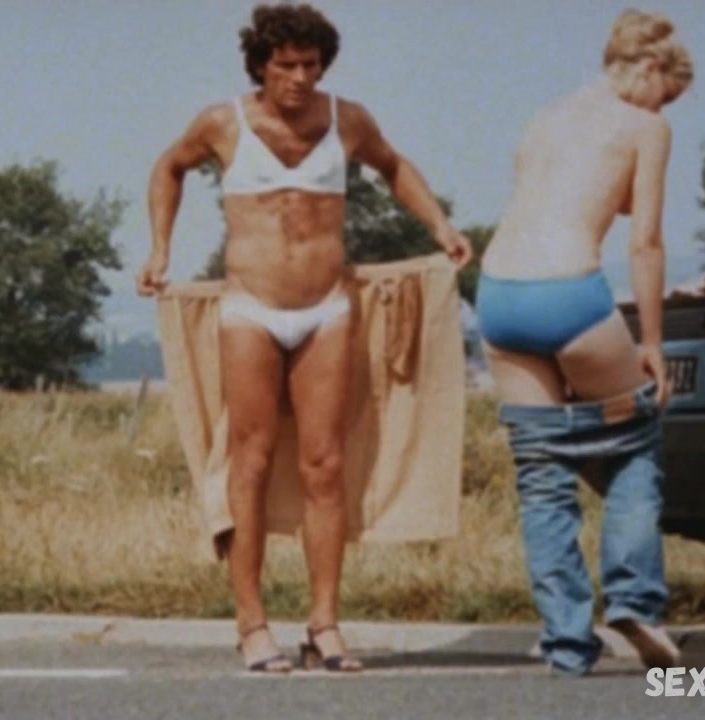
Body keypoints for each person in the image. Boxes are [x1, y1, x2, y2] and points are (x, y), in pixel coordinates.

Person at [136, 2, 471, 673]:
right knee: (252, 463)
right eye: (285, 65)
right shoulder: (223, 122)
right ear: (261, 65)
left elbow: (393, 165)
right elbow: (168, 166)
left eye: (310, 65)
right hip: (250, 309)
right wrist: (160, 249)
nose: (298, 78)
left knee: (325, 466)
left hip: (327, 310)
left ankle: (324, 624)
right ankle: (252, 623)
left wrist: (440, 226)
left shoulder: (347, 119)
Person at [474, 9, 693, 676]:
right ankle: (634, 602)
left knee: (543, 476)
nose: (665, 108)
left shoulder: (546, 118)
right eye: (667, 94)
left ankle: (567, 641)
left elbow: (560, 196)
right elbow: (644, 241)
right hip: (570, 294)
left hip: (498, 294)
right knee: (634, 443)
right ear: (650, 69)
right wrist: (651, 341)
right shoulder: (646, 126)